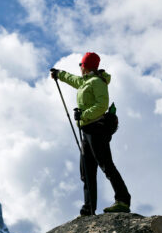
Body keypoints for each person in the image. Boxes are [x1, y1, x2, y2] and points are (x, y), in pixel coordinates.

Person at [51, 52, 131, 215]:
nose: (80, 68)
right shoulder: (84, 82)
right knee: (86, 171)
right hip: (87, 130)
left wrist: (83, 115)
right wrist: (59, 74)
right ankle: (89, 208)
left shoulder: (97, 82)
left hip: (96, 129)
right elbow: (73, 79)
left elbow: (102, 105)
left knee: (106, 165)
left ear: (85, 66)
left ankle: (123, 201)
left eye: (81, 65)